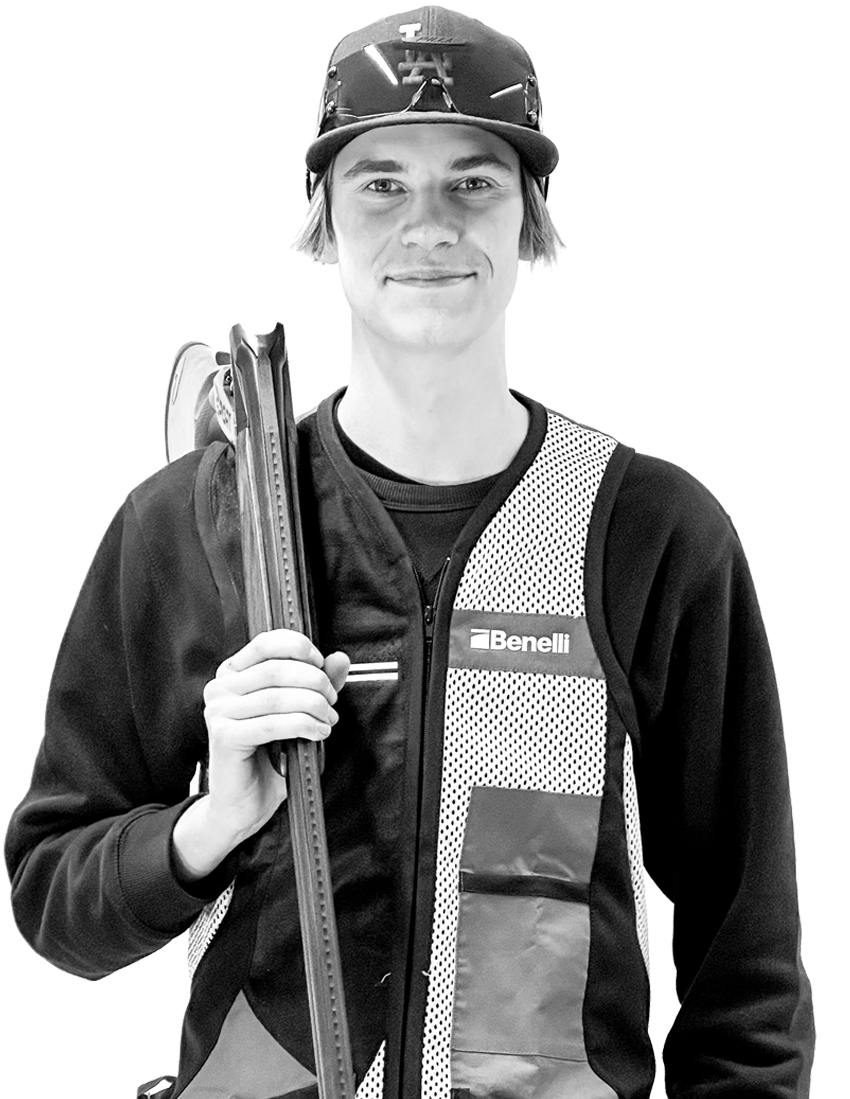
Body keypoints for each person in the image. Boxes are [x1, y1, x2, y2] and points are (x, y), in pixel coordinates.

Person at [5, 6, 814, 1098]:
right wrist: (210, 823)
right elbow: (54, 901)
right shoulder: (194, 523)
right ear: (325, 218)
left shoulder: (653, 535)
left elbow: (747, 956)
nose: (428, 224)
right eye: (381, 183)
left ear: (528, 218)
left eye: (472, 182)